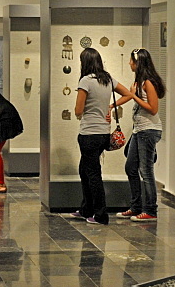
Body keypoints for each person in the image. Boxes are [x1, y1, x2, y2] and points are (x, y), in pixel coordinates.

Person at [71, 48, 126, 225]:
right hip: (103, 133)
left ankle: (101, 214)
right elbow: (128, 93)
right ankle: (86, 208)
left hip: (89, 133)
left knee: (93, 174)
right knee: (84, 170)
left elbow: (78, 110)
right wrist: (109, 107)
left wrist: (80, 112)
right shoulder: (107, 79)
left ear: (84, 62)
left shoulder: (85, 81)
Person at [115, 48, 166, 222]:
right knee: (130, 167)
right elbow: (129, 97)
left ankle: (151, 210)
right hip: (139, 130)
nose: (129, 63)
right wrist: (111, 106)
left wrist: (135, 96)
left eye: (131, 61)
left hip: (149, 130)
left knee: (146, 170)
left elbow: (153, 108)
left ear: (138, 63)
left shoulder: (148, 83)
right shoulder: (138, 82)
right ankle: (136, 206)